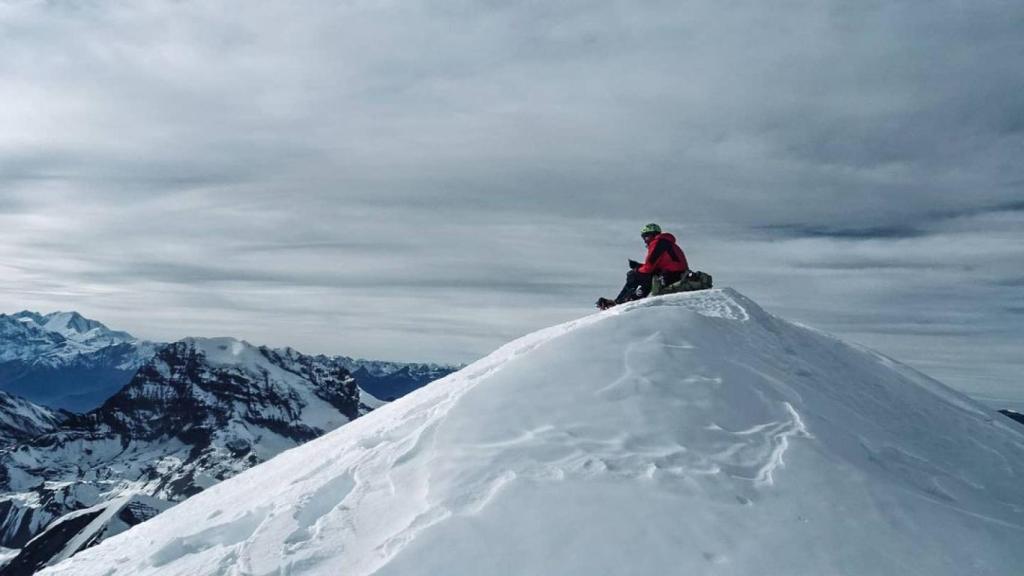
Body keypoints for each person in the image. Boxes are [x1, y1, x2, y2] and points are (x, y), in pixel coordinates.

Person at [596, 223, 689, 309]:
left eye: (646, 237)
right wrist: (639, 266)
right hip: (676, 274)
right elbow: (657, 265)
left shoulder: (657, 243)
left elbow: (649, 268)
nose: (645, 240)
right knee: (643, 275)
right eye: (643, 237)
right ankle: (629, 299)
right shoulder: (667, 243)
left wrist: (637, 269)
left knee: (633, 275)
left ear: (653, 234)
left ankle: (621, 302)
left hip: (670, 276)